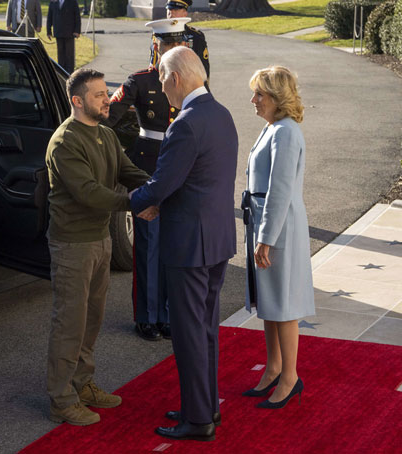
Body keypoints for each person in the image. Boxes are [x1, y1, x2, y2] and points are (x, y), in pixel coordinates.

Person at [130, 47, 237, 441]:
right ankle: (204, 404)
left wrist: (131, 202)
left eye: (161, 79)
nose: (160, 89)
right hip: (216, 239)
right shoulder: (220, 113)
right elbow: (199, 180)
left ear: (175, 78)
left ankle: (198, 420)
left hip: (189, 244)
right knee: (205, 329)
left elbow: (163, 183)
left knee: (190, 331)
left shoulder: (186, 123)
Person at [45, 68, 150, 426]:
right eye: (99, 95)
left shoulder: (105, 134)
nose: (108, 99)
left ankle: (82, 383)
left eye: (107, 93)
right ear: (78, 101)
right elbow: (89, 193)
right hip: (73, 244)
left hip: (100, 240)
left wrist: (157, 187)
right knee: (70, 324)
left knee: (92, 321)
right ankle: (61, 400)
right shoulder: (65, 142)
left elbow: (128, 172)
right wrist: (136, 203)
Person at [103, 18, 189, 342]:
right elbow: (109, 116)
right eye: (166, 44)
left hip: (179, 167)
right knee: (148, 245)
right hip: (147, 168)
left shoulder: (190, 81)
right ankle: (146, 315)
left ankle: (165, 315)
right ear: (156, 46)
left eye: (176, 44)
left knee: (171, 245)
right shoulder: (139, 80)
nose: (171, 50)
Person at [241, 65, 315, 409]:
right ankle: (273, 369)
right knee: (270, 302)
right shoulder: (273, 127)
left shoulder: (284, 132)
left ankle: (290, 377)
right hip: (265, 221)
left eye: (260, 94)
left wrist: (266, 238)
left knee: (283, 305)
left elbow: (280, 190)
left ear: (277, 98)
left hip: (278, 225)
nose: (254, 100)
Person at [148, 0, 209, 84]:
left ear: (185, 13)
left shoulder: (196, 36)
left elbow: (203, 69)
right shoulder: (158, 35)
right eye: (169, 10)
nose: (171, 13)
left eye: (175, 10)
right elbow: (154, 63)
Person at [47, 0, 80, 74]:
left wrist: (77, 30)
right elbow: (50, 16)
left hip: (70, 33)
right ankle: (62, 73)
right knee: (60, 55)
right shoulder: (53, 2)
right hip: (58, 33)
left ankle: (70, 74)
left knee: (69, 55)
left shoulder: (72, 1)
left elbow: (77, 16)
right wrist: (48, 31)